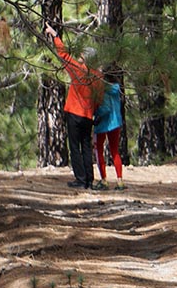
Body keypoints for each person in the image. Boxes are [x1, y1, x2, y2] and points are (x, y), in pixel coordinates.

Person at [45, 24, 103, 189]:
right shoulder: (98, 77)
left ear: (85, 58)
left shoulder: (78, 69)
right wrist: (94, 111)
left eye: (82, 55)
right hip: (88, 116)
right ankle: (89, 180)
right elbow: (99, 99)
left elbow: (62, 54)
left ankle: (80, 179)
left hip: (74, 114)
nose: (79, 56)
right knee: (86, 147)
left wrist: (55, 36)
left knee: (74, 147)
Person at [93, 68, 125, 189]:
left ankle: (104, 180)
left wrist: (96, 115)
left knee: (99, 150)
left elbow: (105, 107)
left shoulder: (103, 89)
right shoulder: (116, 89)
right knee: (115, 151)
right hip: (115, 122)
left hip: (103, 123)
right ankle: (120, 180)